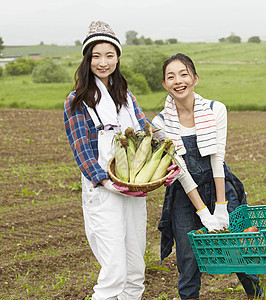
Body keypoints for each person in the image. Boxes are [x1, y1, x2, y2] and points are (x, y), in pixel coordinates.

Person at [152, 53, 263, 300]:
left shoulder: (215, 109)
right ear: (164, 84)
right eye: (171, 76)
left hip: (219, 183)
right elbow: (179, 170)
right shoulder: (159, 123)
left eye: (184, 74)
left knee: (238, 248)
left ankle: (256, 294)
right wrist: (202, 211)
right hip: (184, 193)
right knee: (188, 258)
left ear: (195, 78)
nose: (178, 81)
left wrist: (221, 205)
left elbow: (217, 158)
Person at [64, 21, 158, 300]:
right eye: (95, 56)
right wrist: (107, 181)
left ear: (117, 57)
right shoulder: (78, 101)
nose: (102, 62)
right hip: (104, 192)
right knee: (114, 271)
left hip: (133, 191)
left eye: (109, 55)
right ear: (87, 59)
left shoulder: (126, 97)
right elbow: (81, 150)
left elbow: (146, 131)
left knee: (135, 268)